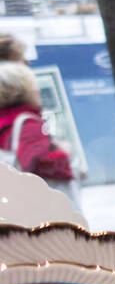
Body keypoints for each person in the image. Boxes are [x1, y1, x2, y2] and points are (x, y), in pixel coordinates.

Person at [0, 61, 78, 202]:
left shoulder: (5, 120)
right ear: (22, 92)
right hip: (35, 203)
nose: (39, 92)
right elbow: (35, 162)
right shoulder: (28, 123)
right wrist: (63, 153)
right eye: (34, 87)